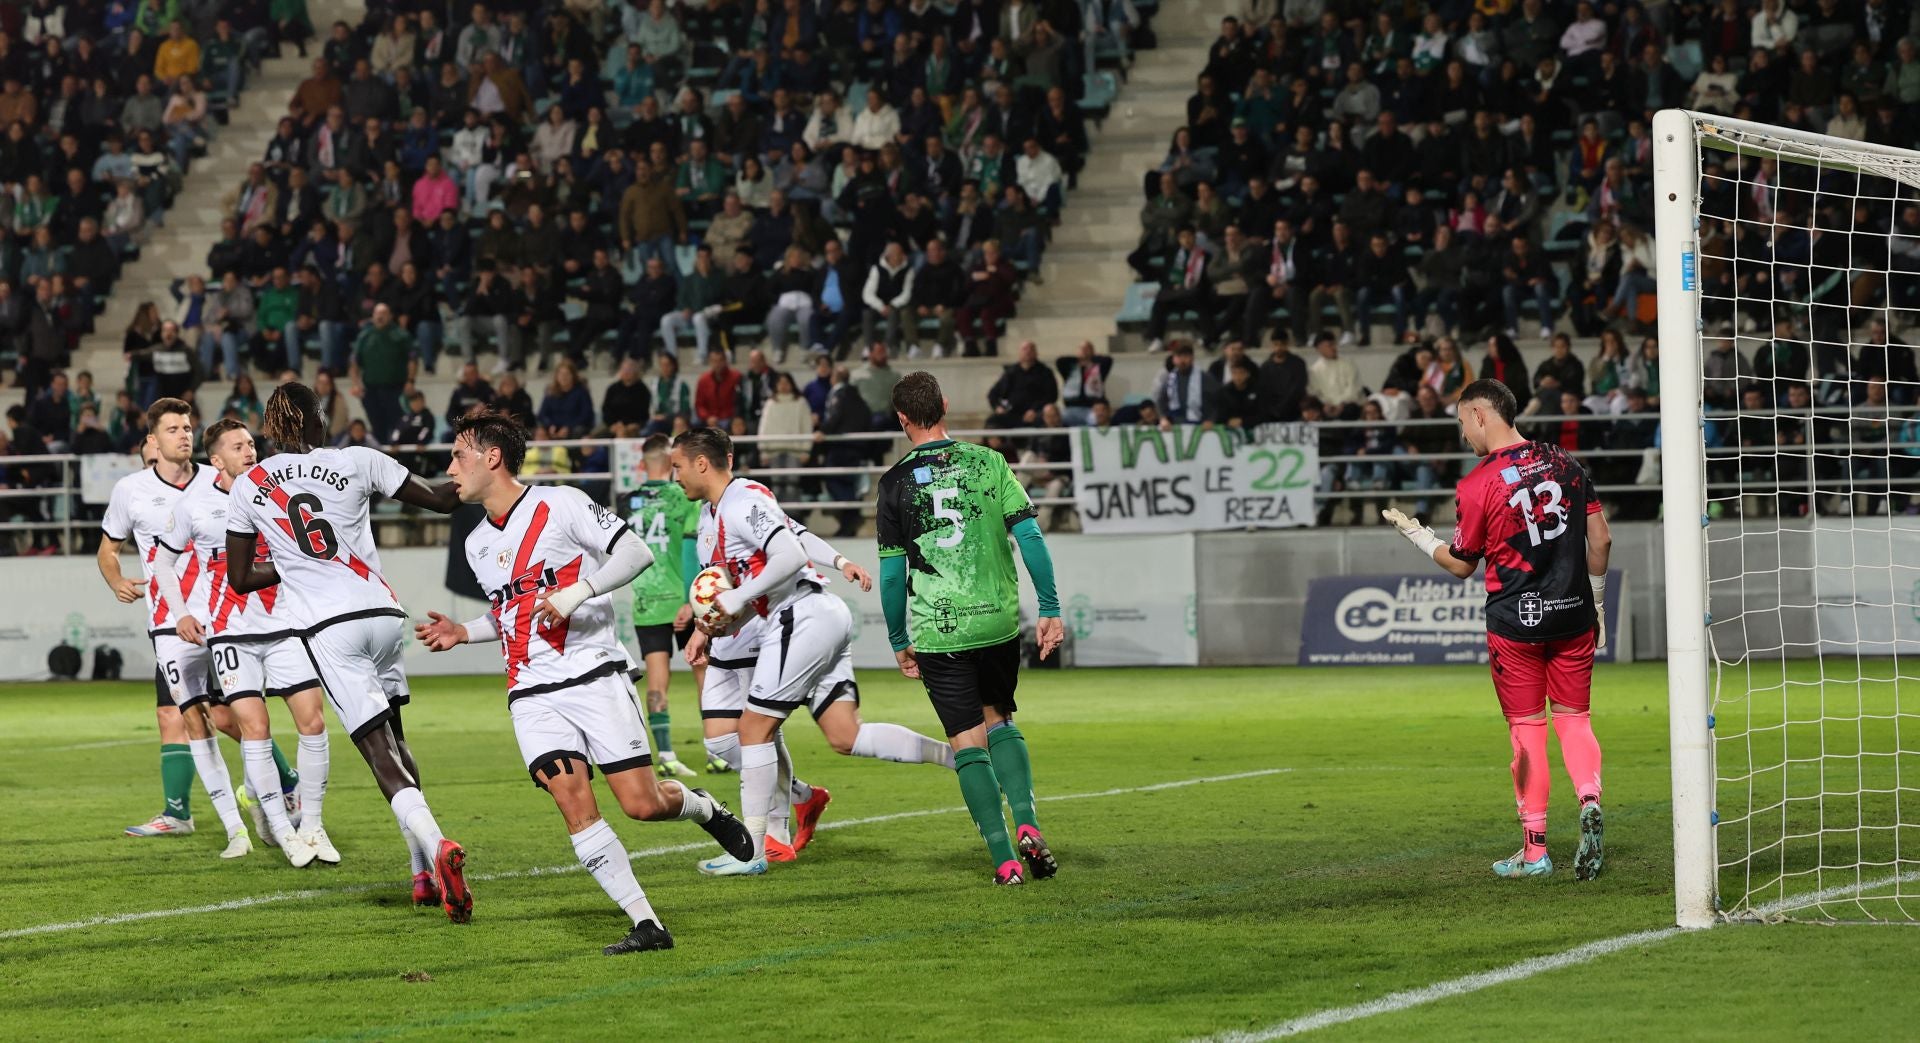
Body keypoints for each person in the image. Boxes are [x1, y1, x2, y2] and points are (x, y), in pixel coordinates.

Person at [416, 410, 752, 955]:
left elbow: (635, 553)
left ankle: (703, 807)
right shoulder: (477, 543)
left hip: (593, 675)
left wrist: (578, 592)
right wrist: (463, 631)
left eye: (458, 454)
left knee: (642, 804)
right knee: (571, 799)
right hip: (529, 691)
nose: (449, 467)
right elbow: (512, 615)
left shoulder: (562, 504)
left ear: (491, 457)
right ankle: (647, 923)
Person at [225, 381, 474, 920]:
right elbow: (441, 501)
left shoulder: (249, 484)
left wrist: (293, 566)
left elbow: (241, 577)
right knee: (399, 739)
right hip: (383, 615)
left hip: (330, 628)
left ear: (272, 427)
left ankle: (438, 848)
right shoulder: (359, 460)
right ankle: (421, 875)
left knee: (378, 754)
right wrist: (472, 467)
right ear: (315, 420)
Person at [674, 427, 955, 876]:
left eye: (678, 466)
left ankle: (755, 849)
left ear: (701, 463)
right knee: (846, 736)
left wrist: (735, 600)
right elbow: (792, 537)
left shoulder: (742, 500)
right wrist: (713, 621)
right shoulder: (718, 513)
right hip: (819, 614)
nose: (676, 476)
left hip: (800, 616)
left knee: (753, 729)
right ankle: (960, 757)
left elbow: (786, 554)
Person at [1381, 378, 1612, 880]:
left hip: (1515, 624)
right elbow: (1602, 538)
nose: (1465, 435)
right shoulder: (1566, 462)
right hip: (1573, 616)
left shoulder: (1478, 482)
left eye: (1463, 422)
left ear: (1480, 415)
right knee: (1575, 718)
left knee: (1527, 733)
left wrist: (1418, 536)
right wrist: (1595, 603)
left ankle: (1535, 853)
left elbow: (1462, 563)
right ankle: (1590, 799)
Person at [877, 371, 1064, 885]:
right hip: (997, 622)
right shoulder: (989, 463)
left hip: (940, 629)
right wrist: (1049, 606)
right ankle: (1028, 823)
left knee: (967, 742)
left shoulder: (894, 482)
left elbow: (892, 574)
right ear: (945, 405)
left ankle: (1005, 860)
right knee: (999, 719)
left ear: (902, 419)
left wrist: (898, 641)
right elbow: (1030, 536)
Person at [158, 419, 331, 865]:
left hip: (286, 624)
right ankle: (280, 830)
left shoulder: (276, 489)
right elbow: (162, 563)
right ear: (216, 459)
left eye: (251, 443)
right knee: (255, 729)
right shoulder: (193, 504)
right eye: (237, 446)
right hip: (231, 632)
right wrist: (181, 614)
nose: (249, 451)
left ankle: (313, 825)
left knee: (312, 721)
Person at [97, 398, 255, 848]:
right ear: (152, 439)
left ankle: (284, 784)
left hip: (222, 618)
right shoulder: (131, 490)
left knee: (230, 715)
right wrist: (116, 582)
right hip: (169, 620)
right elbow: (108, 550)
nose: (184, 434)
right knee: (173, 713)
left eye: (188, 427)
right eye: (173, 428)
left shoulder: (218, 479)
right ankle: (178, 812)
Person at [623, 434, 703, 779]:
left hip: (646, 602)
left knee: (657, 682)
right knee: (706, 673)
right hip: (684, 599)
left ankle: (667, 754)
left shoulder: (626, 503)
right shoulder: (684, 496)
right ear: (671, 463)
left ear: (641, 465)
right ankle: (719, 750)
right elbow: (694, 549)